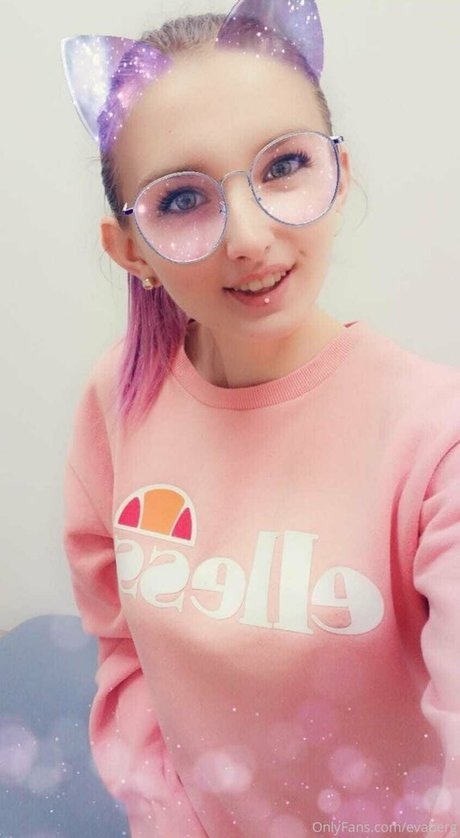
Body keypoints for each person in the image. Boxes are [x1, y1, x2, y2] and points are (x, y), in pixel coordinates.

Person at [61, 1, 460, 836]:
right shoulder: (118, 401)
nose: (248, 236)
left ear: (339, 175)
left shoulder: (436, 441)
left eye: (283, 166)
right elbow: (124, 653)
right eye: (182, 199)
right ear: (130, 250)